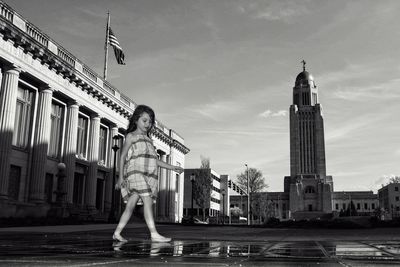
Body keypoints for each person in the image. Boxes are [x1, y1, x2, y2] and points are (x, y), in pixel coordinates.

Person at [113, 105, 184, 243]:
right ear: (136, 120)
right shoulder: (131, 136)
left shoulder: (149, 140)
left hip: (147, 175)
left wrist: (172, 167)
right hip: (135, 173)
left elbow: (155, 160)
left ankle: (117, 233)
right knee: (147, 200)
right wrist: (120, 177)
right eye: (144, 120)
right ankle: (154, 233)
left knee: (130, 205)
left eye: (150, 122)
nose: (147, 124)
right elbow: (122, 157)